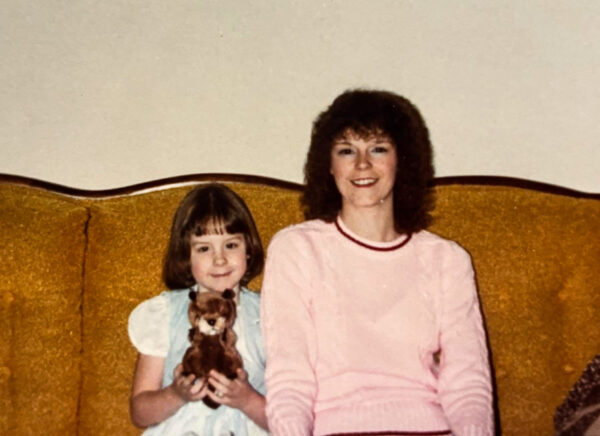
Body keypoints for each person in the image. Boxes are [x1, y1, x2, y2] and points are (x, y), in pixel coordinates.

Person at [260, 89, 494, 436]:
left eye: (378, 148)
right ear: (329, 165)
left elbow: (468, 385)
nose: (362, 164)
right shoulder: (296, 249)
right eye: (346, 150)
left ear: (402, 160)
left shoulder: (446, 259)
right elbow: (289, 382)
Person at [128, 183, 269, 435]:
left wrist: (247, 400)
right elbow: (139, 413)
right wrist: (175, 394)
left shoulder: (269, 314)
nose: (219, 259)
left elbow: (295, 421)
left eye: (231, 245)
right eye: (204, 248)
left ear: (248, 249)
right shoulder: (165, 314)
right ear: (186, 256)